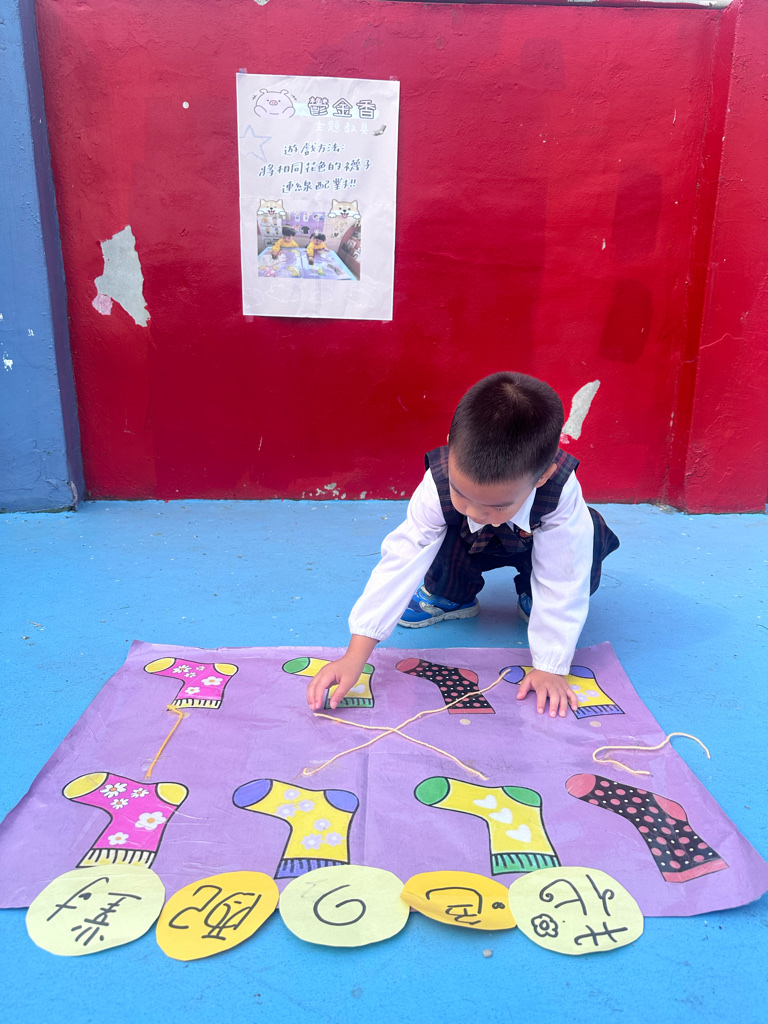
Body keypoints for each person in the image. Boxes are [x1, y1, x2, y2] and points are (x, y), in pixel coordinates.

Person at [305, 372, 619, 719]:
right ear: (450, 445)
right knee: (435, 533)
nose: (476, 512)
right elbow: (403, 557)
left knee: (587, 536)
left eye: (497, 506)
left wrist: (550, 665)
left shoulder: (560, 490)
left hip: (531, 544)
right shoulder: (439, 481)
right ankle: (451, 594)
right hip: (469, 545)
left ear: (542, 475)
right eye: (461, 494)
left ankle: (533, 598)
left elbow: (563, 573)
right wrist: (355, 655)